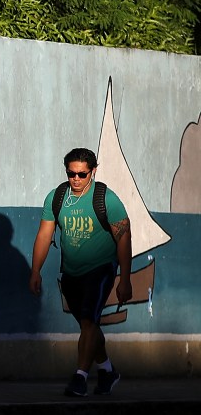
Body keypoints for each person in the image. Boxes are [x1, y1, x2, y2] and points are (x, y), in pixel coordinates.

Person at [30, 148, 132, 397]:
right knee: (89, 325)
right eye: (71, 173)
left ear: (93, 171)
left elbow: (123, 237)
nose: (76, 179)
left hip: (101, 269)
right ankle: (107, 370)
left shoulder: (106, 199)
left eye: (82, 174)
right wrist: (35, 271)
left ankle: (80, 377)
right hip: (71, 274)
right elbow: (45, 235)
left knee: (88, 321)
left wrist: (125, 279)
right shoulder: (56, 197)